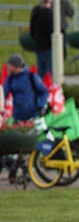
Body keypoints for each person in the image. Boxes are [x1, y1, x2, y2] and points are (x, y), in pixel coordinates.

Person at [2, 54, 48, 182]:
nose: (9, 68)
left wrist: (41, 105)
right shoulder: (11, 79)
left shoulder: (31, 77)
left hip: (32, 115)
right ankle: (18, 170)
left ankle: (24, 170)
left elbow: (43, 91)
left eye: (10, 66)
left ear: (16, 66)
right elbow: (4, 93)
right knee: (18, 144)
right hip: (18, 115)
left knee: (28, 145)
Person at [29, 0, 54, 81]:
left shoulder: (36, 11)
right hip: (48, 45)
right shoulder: (49, 14)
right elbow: (51, 29)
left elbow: (32, 27)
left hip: (38, 44)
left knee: (41, 69)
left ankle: (40, 86)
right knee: (51, 69)